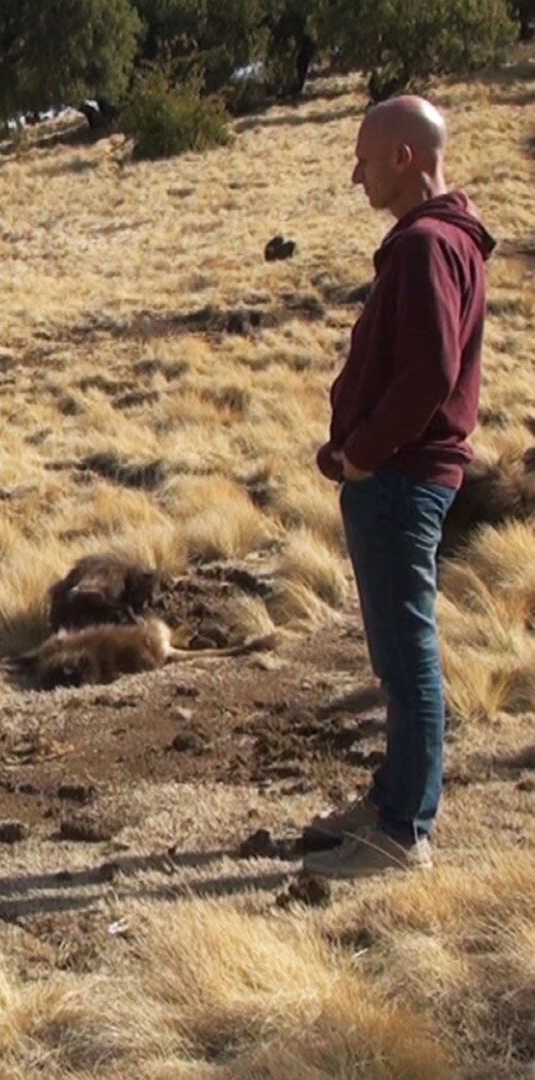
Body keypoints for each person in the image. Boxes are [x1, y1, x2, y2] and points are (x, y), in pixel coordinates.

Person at [304, 96, 495, 878]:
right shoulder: (447, 240)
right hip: (406, 473)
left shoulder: (423, 247)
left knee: (407, 650)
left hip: (401, 477)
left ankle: (401, 831)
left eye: (364, 159)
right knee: (396, 647)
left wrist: (366, 454)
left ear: (404, 159)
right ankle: (392, 799)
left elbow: (432, 373)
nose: (356, 175)